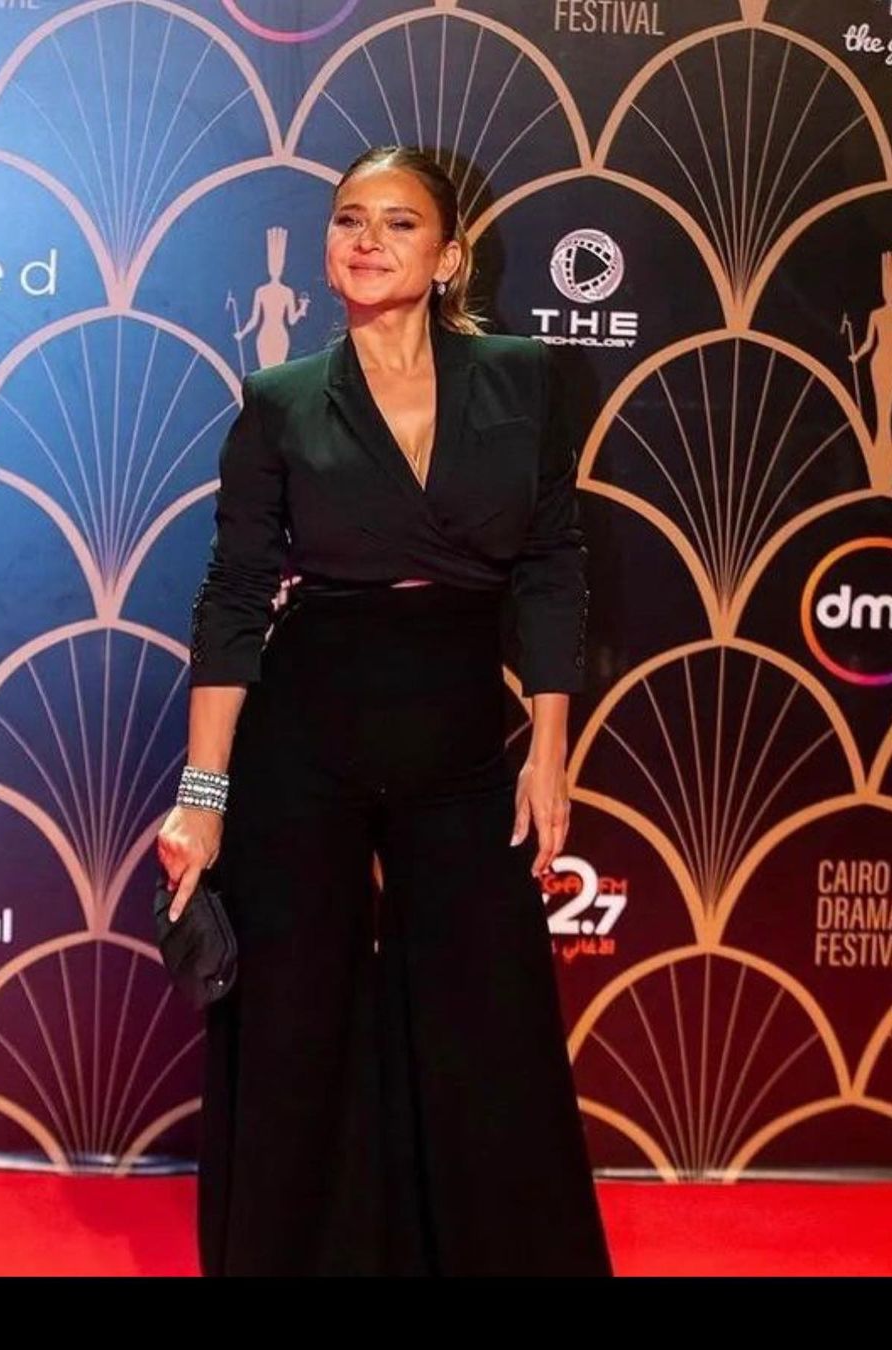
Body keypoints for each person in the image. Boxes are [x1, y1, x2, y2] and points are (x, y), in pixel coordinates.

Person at [156, 145, 612, 1277]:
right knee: (296, 1018)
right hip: (306, 736)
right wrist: (203, 797)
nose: (366, 240)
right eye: (349, 219)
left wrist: (548, 752)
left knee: (487, 1016)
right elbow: (234, 598)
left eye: (399, 222)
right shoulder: (281, 401)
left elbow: (551, 565)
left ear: (450, 256)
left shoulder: (524, 378)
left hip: (459, 735)